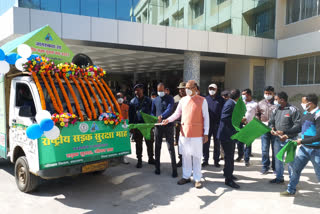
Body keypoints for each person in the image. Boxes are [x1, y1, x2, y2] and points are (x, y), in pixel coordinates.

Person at [163, 80, 209, 189]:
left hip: (197, 134)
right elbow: (176, 114)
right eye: (186, 88)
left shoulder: (202, 100)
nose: (186, 90)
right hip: (184, 133)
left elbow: (206, 118)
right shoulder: (183, 100)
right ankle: (186, 176)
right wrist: (168, 120)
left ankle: (197, 178)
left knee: (197, 157)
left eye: (189, 87)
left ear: (195, 88)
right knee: (186, 156)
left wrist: (206, 133)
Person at [281, 94, 320, 196]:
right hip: (304, 149)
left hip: (316, 150)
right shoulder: (306, 113)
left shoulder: (318, 115)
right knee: (295, 169)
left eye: (303, 102)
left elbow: (318, 137)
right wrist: (285, 132)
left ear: (310, 103)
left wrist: (301, 141)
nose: (302, 104)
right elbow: (298, 128)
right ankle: (291, 190)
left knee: (319, 174)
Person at [269, 91, 301, 184]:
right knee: (278, 159)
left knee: (291, 160)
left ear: (282, 100)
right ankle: (279, 178)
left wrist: (287, 135)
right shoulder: (275, 110)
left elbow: (298, 126)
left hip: (290, 139)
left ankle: (292, 180)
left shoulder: (293, 110)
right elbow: (271, 122)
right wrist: (272, 128)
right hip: (277, 139)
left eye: (276, 99)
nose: (274, 101)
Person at [151, 83, 177, 177]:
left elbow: (170, 109)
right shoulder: (155, 100)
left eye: (162, 90)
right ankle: (157, 168)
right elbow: (152, 112)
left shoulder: (170, 98)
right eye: (159, 91)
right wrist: (154, 118)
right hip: (158, 126)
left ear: (165, 90)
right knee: (157, 147)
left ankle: (174, 170)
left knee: (171, 148)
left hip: (168, 125)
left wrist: (161, 116)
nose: (160, 92)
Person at [217, 89, 241, 189]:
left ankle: (228, 174)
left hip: (229, 134)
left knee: (229, 157)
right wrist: (237, 120)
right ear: (238, 97)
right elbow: (224, 117)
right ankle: (228, 180)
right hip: (226, 135)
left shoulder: (231, 103)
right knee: (229, 157)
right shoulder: (230, 104)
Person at [129, 84, 155, 168]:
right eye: (135, 90)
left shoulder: (148, 100)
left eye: (139, 89)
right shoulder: (132, 101)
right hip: (137, 126)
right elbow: (131, 115)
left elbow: (152, 111)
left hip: (147, 125)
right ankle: (139, 160)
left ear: (142, 90)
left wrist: (152, 123)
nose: (137, 91)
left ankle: (151, 158)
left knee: (150, 143)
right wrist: (131, 127)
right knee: (138, 144)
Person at [202, 83, 224, 168]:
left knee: (217, 143)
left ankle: (216, 160)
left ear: (216, 89)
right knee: (206, 143)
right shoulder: (205, 99)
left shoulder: (221, 99)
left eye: (213, 89)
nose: (211, 90)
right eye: (210, 88)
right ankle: (205, 160)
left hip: (217, 124)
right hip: (207, 124)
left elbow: (222, 111)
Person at [256, 86, 276, 174]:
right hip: (264, 129)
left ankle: (275, 167)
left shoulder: (277, 103)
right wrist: (259, 121)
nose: (267, 95)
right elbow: (257, 114)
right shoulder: (260, 103)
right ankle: (265, 166)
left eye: (269, 93)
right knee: (264, 149)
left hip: (275, 129)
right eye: (266, 93)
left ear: (273, 94)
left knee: (275, 149)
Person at [236, 89, 258, 167]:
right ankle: (240, 156)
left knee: (248, 143)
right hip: (240, 125)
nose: (242, 96)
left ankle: (246, 159)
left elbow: (257, 115)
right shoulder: (240, 103)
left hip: (250, 126)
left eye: (244, 94)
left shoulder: (255, 104)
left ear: (248, 95)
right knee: (239, 143)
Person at [173, 82, 187, 167]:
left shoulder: (189, 98)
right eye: (180, 89)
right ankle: (181, 159)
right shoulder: (175, 99)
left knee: (188, 143)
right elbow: (173, 112)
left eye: (183, 89)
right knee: (180, 142)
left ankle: (188, 160)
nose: (181, 91)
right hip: (178, 124)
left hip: (188, 124)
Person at [116, 92, 130, 164]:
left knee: (124, 142)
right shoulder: (112, 106)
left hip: (124, 126)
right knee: (116, 142)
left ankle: (124, 158)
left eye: (121, 97)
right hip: (116, 126)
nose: (120, 98)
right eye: (118, 97)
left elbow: (128, 117)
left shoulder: (126, 106)